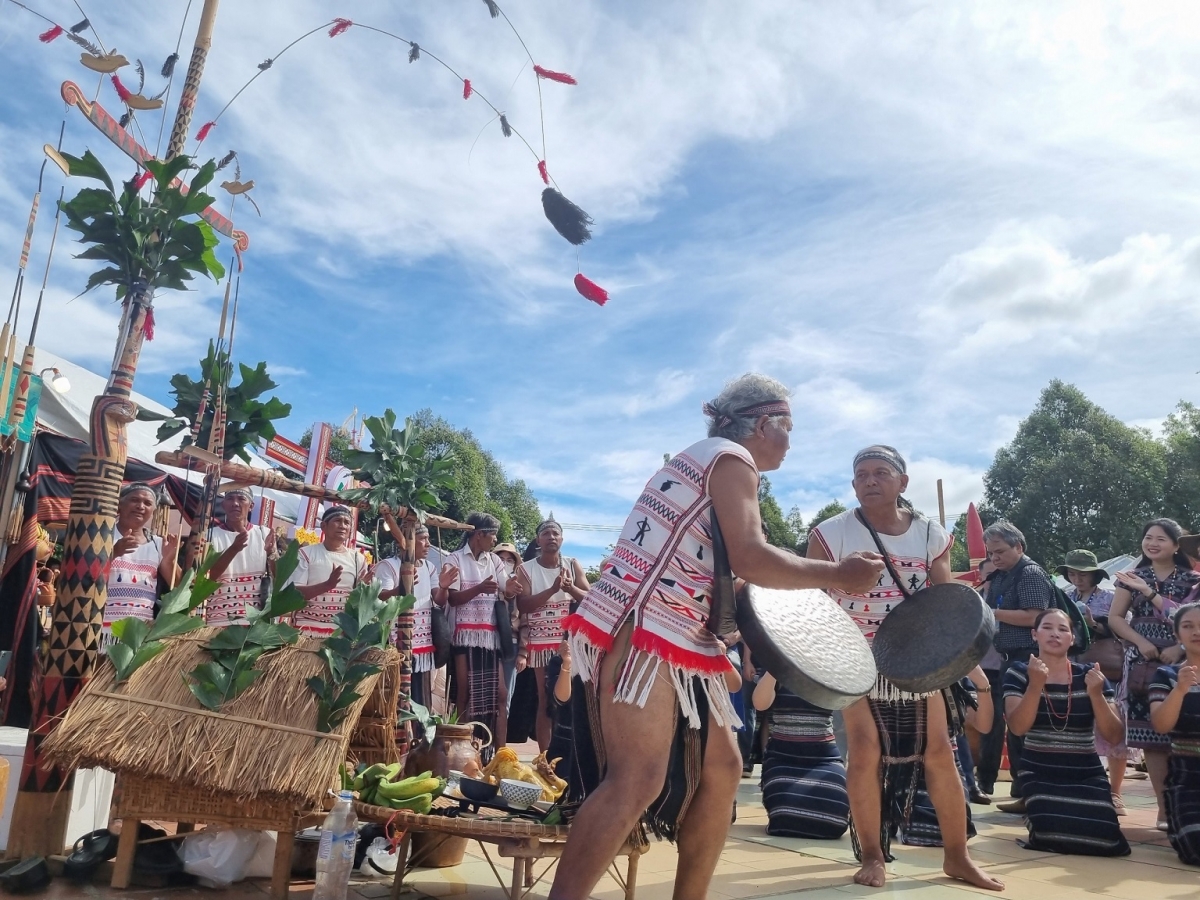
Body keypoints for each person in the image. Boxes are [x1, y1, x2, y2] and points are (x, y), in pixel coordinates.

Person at [550, 374, 884, 900]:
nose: (791, 441)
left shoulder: (708, 458)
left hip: (677, 631)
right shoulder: (732, 459)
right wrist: (839, 576)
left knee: (725, 767)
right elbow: (751, 555)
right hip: (650, 625)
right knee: (637, 779)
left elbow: (733, 571)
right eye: (788, 427)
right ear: (764, 423)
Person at [808, 445, 1000, 890]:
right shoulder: (829, 533)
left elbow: (947, 606)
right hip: (854, 655)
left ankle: (958, 856)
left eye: (880, 473)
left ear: (902, 482)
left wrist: (961, 664)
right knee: (864, 749)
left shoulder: (931, 534)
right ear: (853, 485)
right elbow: (814, 600)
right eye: (861, 475)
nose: (870, 481)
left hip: (916, 659)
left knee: (939, 752)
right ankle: (873, 855)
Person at [1003, 608, 1130, 856]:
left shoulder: (1090, 676)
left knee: (1106, 838)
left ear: (1072, 638)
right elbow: (1018, 727)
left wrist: (1096, 695)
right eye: (1047, 628)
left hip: (1085, 769)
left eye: (1063, 629)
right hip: (1040, 768)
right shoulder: (1020, 672)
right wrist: (1036, 685)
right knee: (1051, 831)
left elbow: (1114, 736)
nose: (1055, 634)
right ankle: (1036, 811)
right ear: (1034, 634)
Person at [1107, 518, 1200, 830]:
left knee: (1182, 733)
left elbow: (1190, 619)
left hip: (1184, 662)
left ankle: (1184, 804)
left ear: (1177, 545)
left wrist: (1180, 648)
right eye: (1148, 537)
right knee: (1150, 737)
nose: (1153, 543)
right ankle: (1164, 809)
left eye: (1161, 538)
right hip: (1141, 664)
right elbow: (1116, 618)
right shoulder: (1131, 577)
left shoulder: (1193, 580)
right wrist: (1141, 642)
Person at [980, 520, 1056, 814]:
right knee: (1011, 727)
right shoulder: (1000, 576)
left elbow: (1036, 617)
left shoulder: (1031, 573)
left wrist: (991, 611)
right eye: (991, 552)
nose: (995, 558)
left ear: (1019, 547)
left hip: (1029, 657)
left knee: (1024, 727)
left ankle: (1029, 792)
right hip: (1007, 659)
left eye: (1000, 551)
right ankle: (1020, 790)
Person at [1057, 548, 1130, 813]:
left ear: (1094, 575)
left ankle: (1116, 791)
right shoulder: (1064, 598)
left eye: (1082, 574)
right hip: (1074, 666)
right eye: (1073, 573)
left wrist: (1095, 624)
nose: (1077, 578)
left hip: (1106, 668)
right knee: (1076, 725)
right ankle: (1080, 786)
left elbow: (1125, 628)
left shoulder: (1111, 598)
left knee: (1112, 728)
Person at [447, 512, 521, 755]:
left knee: (500, 695)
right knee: (465, 693)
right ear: (479, 535)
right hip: (464, 636)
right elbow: (453, 599)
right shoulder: (455, 559)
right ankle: (459, 752)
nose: (495, 540)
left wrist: (510, 590)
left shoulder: (495, 561)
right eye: (492, 535)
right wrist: (479, 588)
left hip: (490, 637)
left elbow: (505, 591)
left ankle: (500, 755)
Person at [896, 667, 992, 846]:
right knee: (925, 829)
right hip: (903, 765)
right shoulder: (895, 668)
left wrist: (983, 684)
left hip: (948, 766)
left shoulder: (956, 669)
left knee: (948, 830)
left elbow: (983, 725)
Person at [516, 518, 589, 750]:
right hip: (541, 642)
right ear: (538, 540)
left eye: (555, 533)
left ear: (562, 539)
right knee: (545, 699)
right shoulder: (526, 569)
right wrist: (552, 590)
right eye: (546, 533)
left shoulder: (573, 564)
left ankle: (567, 754)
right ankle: (545, 758)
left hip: (568, 642)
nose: (551, 537)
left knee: (570, 698)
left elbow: (589, 600)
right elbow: (523, 605)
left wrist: (569, 589)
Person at [753, 672, 849, 839]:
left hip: (823, 758)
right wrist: (775, 667)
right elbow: (759, 704)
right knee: (784, 815)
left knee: (834, 819)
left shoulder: (829, 669)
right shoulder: (779, 670)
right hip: (783, 757)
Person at [374, 523, 455, 708]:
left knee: (420, 697)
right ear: (407, 541)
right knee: (396, 697)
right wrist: (399, 589)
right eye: (423, 539)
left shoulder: (429, 567)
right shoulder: (388, 566)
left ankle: (418, 735)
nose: (428, 544)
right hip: (396, 642)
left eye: (428, 538)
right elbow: (380, 598)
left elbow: (440, 600)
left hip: (423, 644)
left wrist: (443, 587)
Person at [1149, 603, 1200, 866]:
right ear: (1178, 635)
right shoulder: (1167, 675)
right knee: (1196, 846)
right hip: (1187, 782)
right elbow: (1161, 725)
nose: (1196, 632)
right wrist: (1180, 690)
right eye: (1188, 626)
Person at [101, 483, 180, 650]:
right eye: (134, 500)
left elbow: (180, 587)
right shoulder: (102, 537)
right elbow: (84, 579)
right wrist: (113, 554)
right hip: (102, 630)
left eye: (147, 503)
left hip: (141, 632)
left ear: (153, 511)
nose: (140, 506)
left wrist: (168, 561)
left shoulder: (159, 544)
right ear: (120, 504)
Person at [287, 506, 369, 638]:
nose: (342, 526)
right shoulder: (305, 554)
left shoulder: (358, 559)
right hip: (306, 634)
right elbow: (293, 593)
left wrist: (364, 589)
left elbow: (359, 602)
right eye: (338, 520)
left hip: (341, 637)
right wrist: (327, 585)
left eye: (347, 522)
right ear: (324, 526)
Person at [204, 488, 277, 626]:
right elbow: (206, 579)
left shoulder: (263, 534)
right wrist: (233, 549)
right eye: (230, 499)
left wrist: (272, 553)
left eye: (241, 499)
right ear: (223, 504)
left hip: (254, 622)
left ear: (251, 506)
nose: (235, 503)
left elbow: (279, 577)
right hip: (217, 621)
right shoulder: (209, 536)